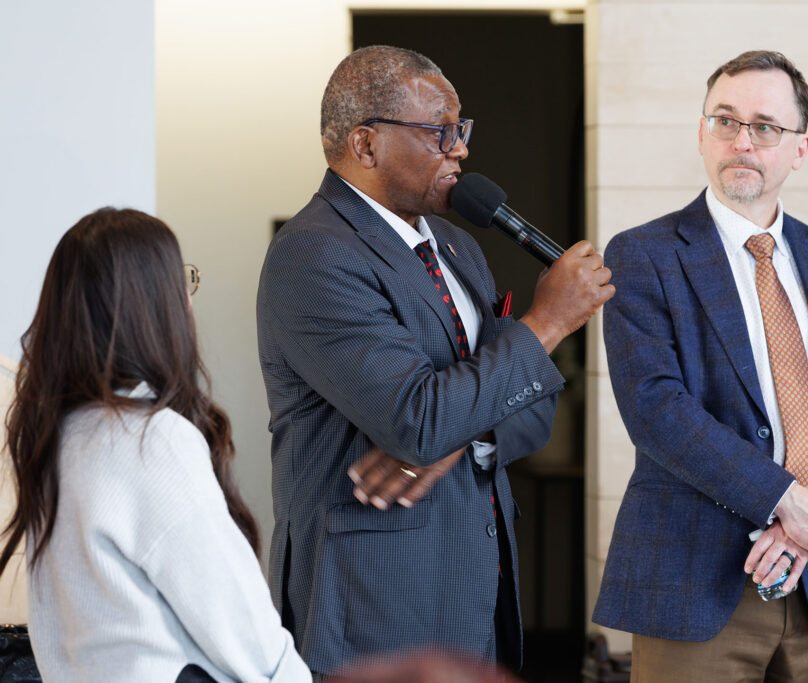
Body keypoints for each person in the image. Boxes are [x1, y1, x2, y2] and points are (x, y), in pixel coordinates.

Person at [256, 45, 613, 677]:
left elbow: (533, 412)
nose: (461, 149)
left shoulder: (457, 247)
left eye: (461, 129)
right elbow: (416, 423)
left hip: (477, 582)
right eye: (439, 132)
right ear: (365, 145)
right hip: (373, 598)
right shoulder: (313, 255)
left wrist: (453, 442)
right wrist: (548, 320)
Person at [592, 50, 808, 681]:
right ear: (702, 133)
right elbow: (656, 409)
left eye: (765, 126)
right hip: (697, 583)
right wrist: (787, 502)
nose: (742, 141)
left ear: (799, 148)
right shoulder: (644, 254)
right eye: (725, 121)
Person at [0, 208, 311, 683]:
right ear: (152, 304)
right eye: (180, 281)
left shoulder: (55, 435)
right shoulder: (151, 440)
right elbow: (239, 623)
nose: (188, 298)